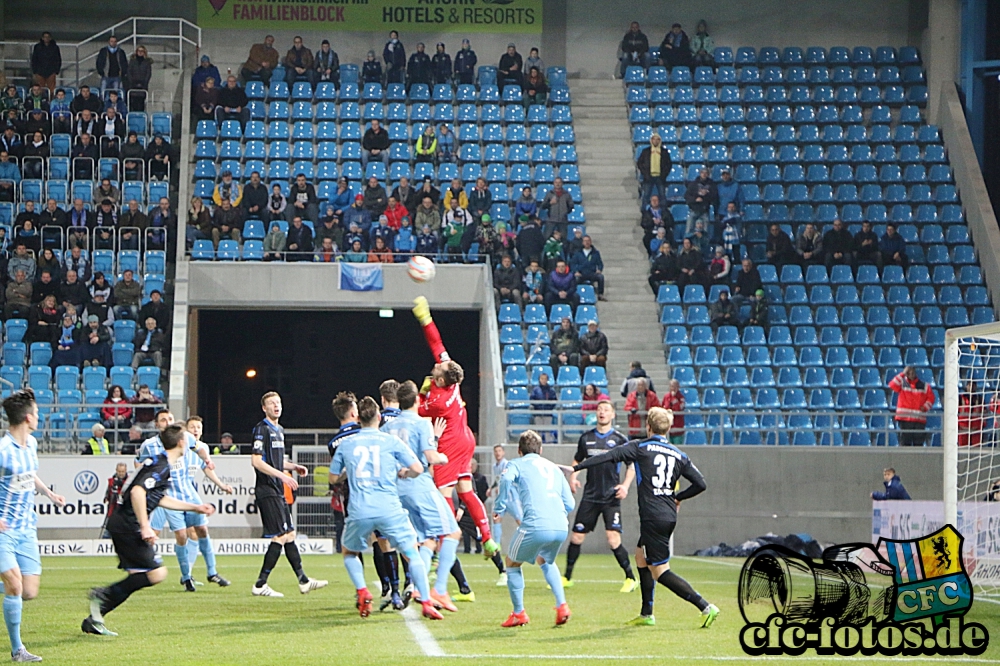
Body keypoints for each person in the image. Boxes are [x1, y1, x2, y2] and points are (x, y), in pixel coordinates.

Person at [572, 407, 719, 628]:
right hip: (667, 514)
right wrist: (678, 497)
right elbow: (701, 484)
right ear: (668, 429)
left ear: (648, 427)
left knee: (661, 571)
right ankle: (646, 613)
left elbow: (607, 457)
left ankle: (705, 607)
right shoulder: (679, 454)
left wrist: (578, 467)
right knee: (641, 556)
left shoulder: (640, 447)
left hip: (653, 516)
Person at [81, 423, 214, 637]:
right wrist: (145, 526)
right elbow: (137, 492)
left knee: (138, 576)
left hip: (122, 523)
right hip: (127, 524)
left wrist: (195, 507)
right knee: (156, 573)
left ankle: (95, 618)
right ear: (182, 443)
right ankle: (103, 595)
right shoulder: (161, 466)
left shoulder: (162, 464)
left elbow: (158, 497)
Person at [329, 395, 442, 620]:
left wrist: (348, 473)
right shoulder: (391, 441)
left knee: (349, 552)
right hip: (389, 507)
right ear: (379, 417)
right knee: (412, 553)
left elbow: (333, 478)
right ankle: (427, 602)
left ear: (358, 418)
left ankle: (362, 591)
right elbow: (418, 468)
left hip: (360, 509)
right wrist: (405, 473)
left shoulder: (347, 443)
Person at [411, 298, 499, 557]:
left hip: (450, 442)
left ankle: (444, 543)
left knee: (443, 493)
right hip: (466, 437)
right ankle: (488, 538)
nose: (440, 360)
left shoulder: (438, 400)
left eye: (441, 366)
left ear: (440, 378)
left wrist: (421, 392)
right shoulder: (450, 379)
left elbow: (416, 410)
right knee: (466, 490)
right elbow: (436, 343)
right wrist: (426, 319)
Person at [381, 381, 463, 609]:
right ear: (417, 400)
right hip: (420, 486)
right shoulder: (421, 423)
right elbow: (431, 456)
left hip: (398, 491)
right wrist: (444, 457)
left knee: (427, 540)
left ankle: (419, 588)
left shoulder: (387, 427)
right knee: (453, 533)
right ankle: (440, 589)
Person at [0, 390, 66, 659]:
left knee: (28, 591)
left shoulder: (33, 444)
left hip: (27, 528)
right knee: (14, 585)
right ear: (28, 417)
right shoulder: (3, 451)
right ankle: (18, 650)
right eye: (37, 413)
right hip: (4, 530)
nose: (39, 417)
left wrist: (48, 493)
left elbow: (29, 475)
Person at [135, 411, 231, 592]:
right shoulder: (150, 445)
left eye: (170, 419)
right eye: (163, 420)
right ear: (157, 424)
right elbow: (137, 462)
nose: (168, 422)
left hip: (188, 491)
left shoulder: (184, 437)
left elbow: (199, 449)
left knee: (201, 529)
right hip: (168, 497)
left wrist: (207, 459)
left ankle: (212, 572)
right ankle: (186, 577)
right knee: (180, 535)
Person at [494, 430, 574, 627]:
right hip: (561, 525)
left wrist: (499, 507)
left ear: (519, 450)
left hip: (537, 524)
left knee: (511, 562)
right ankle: (562, 605)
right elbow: (570, 503)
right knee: (545, 560)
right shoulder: (554, 468)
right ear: (541, 449)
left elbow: (505, 480)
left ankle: (519, 613)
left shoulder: (516, 464)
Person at [251, 392, 327, 597]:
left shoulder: (280, 430)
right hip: (267, 489)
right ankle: (260, 584)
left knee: (289, 534)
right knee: (281, 536)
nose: (276, 406)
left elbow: (275, 461)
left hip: (276, 489)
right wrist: (283, 476)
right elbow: (257, 461)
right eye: (271, 404)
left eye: (278, 403)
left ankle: (303, 580)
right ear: (264, 408)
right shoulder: (262, 429)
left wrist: (292, 467)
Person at [563, 400, 636, 591]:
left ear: (612, 415)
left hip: (611, 497)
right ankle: (567, 577)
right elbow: (577, 460)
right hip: (590, 495)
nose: (602, 412)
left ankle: (630, 578)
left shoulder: (620, 440)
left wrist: (625, 486)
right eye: (599, 409)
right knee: (576, 537)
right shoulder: (586, 438)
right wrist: (573, 478)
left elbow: (631, 466)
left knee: (613, 539)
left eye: (606, 410)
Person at [888, 366, 934, 447]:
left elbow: (931, 398)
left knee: (918, 444)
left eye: (913, 372)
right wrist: (902, 373)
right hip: (904, 419)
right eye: (909, 373)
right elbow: (892, 385)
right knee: (905, 444)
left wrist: (925, 407)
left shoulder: (924, 386)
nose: (911, 374)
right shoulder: (902, 384)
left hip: (918, 419)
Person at [637, 134, 669, 207]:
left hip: (660, 177)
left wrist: (664, 174)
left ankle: (663, 212)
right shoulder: (645, 151)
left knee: (662, 196)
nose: (656, 141)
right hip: (648, 177)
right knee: (646, 196)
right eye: (654, 139)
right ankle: (644, 212)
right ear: (651, 140)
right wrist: (645, 173)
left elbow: (668, 164)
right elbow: (639, 163)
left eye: (657, 139)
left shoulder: (664, 152)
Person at [570, 235, 605, 301]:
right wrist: (576, 271)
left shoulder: (595, 253)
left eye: (588, 241)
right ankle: (574, 295)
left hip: (592, 273)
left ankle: (600, 294)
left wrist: (599, 269)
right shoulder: (578, 253)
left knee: (600, 277)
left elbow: (600, 264)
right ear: (582, 242)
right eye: (585, 241)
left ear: (591, 242)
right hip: (581, 273)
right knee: (575, 279)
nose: (587, 242)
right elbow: (573, 264)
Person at [685, 167, 717, 234]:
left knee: (705, 232)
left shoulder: (712, 185)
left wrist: (705, 196)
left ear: (708, 174)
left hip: (705, 211)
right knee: (689, 230)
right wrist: (695, 199)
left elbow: (714, 196)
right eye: (702, 173)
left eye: (706, 173)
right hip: (694, 210)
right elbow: (686, 196)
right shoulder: (693, 184)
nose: (704, 174)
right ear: (700, 173)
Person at [102, 463, 129, 536]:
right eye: (119, 471)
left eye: (122, 471)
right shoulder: (112, 481)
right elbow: (108, 491)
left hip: (124, 512)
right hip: (112, 510)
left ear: (125, 471)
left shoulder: (129, 482)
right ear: (116, 471)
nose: (121, 473)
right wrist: (106, 497)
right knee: (107, 532)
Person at [661, 379, 686, 445]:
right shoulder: (666, 397)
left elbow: (679, 409)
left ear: (678, 387)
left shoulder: (681, 398)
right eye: (672, 386)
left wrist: (673, 399)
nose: (673, 388)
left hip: (678, 428)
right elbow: (664, 408)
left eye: (675, 386)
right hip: (667, 428)